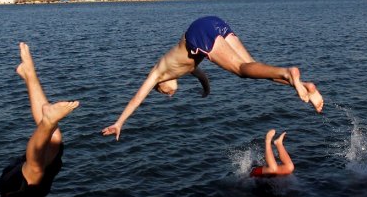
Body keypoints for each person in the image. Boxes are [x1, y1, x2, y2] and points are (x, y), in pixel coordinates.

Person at [102, 16, 323, 141]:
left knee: (240, 70)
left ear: (160, 85)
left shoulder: (157, 73)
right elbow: (201, 75)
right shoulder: (182, 70)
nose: (170, 94)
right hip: (212, 22)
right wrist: (206, 90)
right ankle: (304, 86)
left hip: (199, 34)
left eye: (164, 92)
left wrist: (119, 123)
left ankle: (289, 72)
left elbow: (136, 99)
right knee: (254, 68)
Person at [0, 42, 79, 197]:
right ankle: (29, 73)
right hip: (38, 185)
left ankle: (48, 120)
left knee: (35, 171)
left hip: (13, 191)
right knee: (55, 141)